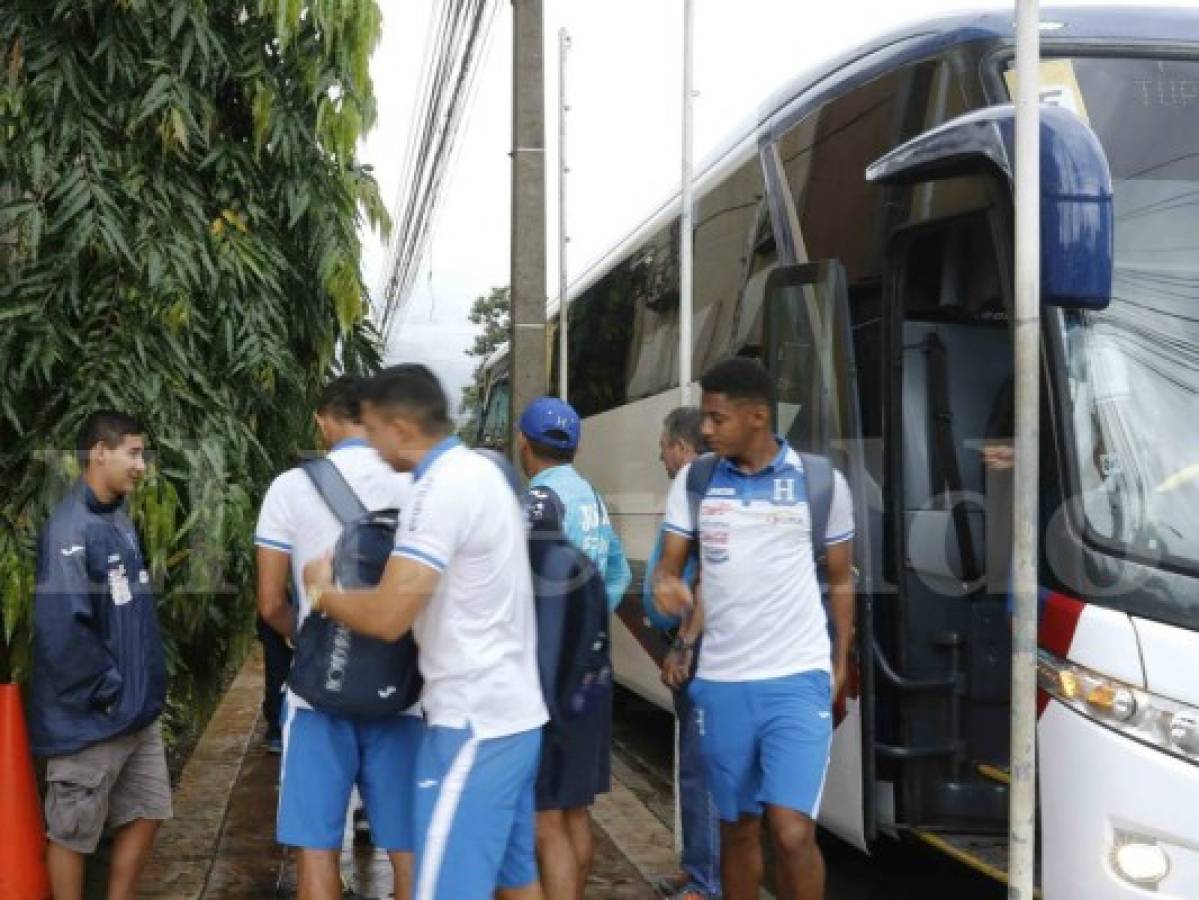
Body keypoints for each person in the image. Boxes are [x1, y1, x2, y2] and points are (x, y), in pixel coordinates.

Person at [302, 364, 548, 900]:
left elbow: (390, 617)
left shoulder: (437, 491)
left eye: (371, 430)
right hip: (514, 719)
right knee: (517, 883)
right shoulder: (484, 473)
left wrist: (322, 591)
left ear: (401, 428)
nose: (368, 444)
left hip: (470, 726)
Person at [653, 358, 855, 900]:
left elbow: (840, 580)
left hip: (796, 680)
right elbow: (669, 568)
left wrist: (839, 664)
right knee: (738, 830)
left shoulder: (820, 483)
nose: (706, 430)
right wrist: (666, 584)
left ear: (758, 417)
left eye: (717, 418)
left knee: (791, 832)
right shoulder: (695, 482)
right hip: (720, 685)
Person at [254, 375, 419, 900]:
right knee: (408, 848)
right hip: (403, 694)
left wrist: (309, 641)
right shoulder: (416, 484)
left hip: (316, 698)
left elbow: (270, 602)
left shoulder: (289, 487)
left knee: (317, 849)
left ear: (323, 419)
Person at [29, 410, 170, 900]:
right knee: (72, 832)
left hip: (135, 709)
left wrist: (143, 685)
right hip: (91, 716)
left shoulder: (117, 519)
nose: (141, 466)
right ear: (99, 452)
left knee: (150, 809)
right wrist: (108, 692)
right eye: (133, 454)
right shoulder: (70, 530)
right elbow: (61, 631)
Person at [516, 396, 631, 900]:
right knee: (576, 809)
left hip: (546, 675)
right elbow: (619, 573)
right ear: (576, 445)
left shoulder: (537, 501)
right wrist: (587, 625)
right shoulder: (592, 496)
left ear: (524, 444)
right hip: (590, 670)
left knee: (543, 817)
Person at [642, 406, 720, 900]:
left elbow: (707, 569)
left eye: (665, 445)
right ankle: (697, 869)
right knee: (693, 766)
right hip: (693, 642)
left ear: (684, 447)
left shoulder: (696, 480)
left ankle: (709, 883)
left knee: (702, 766)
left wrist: (686, 645)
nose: (661, 454)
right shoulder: (698, 482)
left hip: (702, 648)